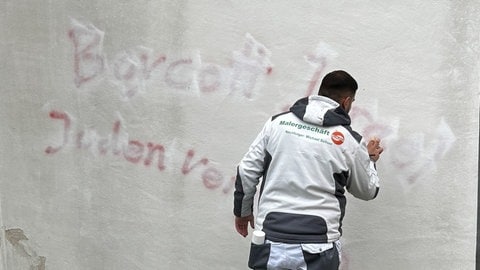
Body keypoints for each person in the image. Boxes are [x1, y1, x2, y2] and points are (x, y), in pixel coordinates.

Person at [233, 70, 384, 270]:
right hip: (319, 245)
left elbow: (246, 171)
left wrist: (242, 212)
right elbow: (367, 190)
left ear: (320, 94)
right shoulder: (350, 141)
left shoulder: (276, 123)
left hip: (270, 239)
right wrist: (369, 160)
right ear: (346, 101)